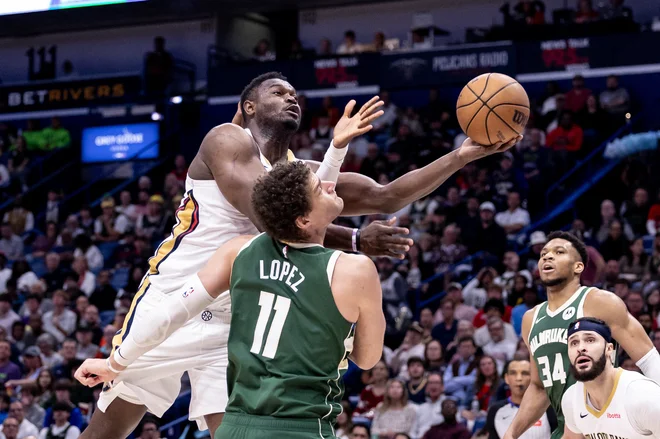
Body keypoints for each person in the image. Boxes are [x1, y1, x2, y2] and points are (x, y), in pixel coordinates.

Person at [73, 71, 520, 438]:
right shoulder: (225, 139)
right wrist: (355, 238)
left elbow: (385, 197)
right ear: (249, 105)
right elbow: (278, 220)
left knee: (233, 431)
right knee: (109, 430)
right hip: (177, 296)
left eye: (295, 93)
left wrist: (462, 156)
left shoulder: (296, 173)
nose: (292, 97)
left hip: (235, 312)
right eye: (278, 91)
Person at [76, 161, 386, 438]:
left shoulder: (239, 251)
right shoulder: (354, 271)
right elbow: (368, 358)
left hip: (237, 426)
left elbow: (173, 310)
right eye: (321, 188)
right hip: (303, 426)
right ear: (302, 219)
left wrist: (115, 362)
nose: (330, 185)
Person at [504, 231, 660, 439]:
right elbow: (540, 387)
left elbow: (650, 360)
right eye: (543, 254)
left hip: (608, 426)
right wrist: (511, 434)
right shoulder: (530, 319)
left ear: (578, 267)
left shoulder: (600, 301)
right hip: (568, 428)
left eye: (559, 252)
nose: (547, 257)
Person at [561, 317, 660, 438]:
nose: (580, 348)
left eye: (590, 340)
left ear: (609, 349)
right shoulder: (571, 399)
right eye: (574, 343)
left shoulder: (643, 396)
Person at [483, 357, 555, 439]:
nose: (519, 378)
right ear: (506, 378)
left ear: (534, 377)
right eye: (513, 373)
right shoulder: (495, 411)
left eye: (524, 373)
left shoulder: (548, 407)